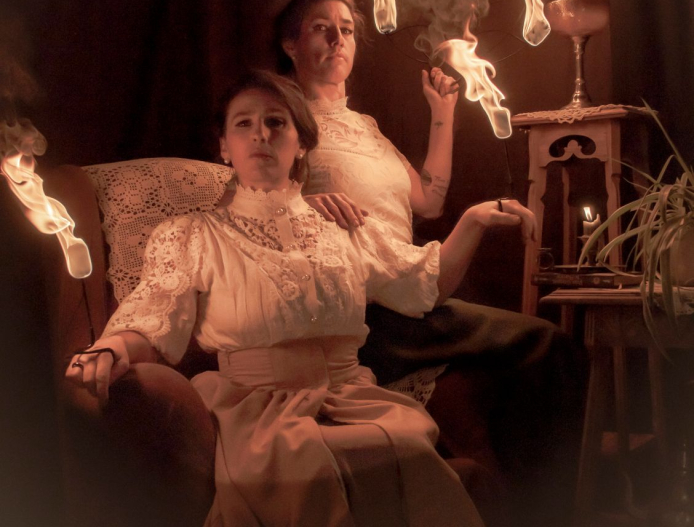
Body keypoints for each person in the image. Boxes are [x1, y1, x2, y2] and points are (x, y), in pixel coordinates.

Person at [66, 70, 536, 527]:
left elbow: (423, 282)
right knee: (306, 471)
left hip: (355, 400)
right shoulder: (192, 236)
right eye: (244, 124)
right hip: (257, 413)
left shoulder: (343, 226)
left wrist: (473, 220)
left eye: (276, 122)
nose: (260, 135)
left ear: (302, 143)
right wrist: (111, 348)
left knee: (406, 451)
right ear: (225, 147)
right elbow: (153, 315)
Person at [272, 0, 587, 525]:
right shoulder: (281, 120)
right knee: (548, 345)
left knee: (547, 351)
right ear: (291, 44)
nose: (338, 40)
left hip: (410, 294)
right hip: (366, 314)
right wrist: (299, 201)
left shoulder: (365, 127)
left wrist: (442, 114)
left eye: (346, 30)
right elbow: (249, 201)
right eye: (322, 29)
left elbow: (429, 201)